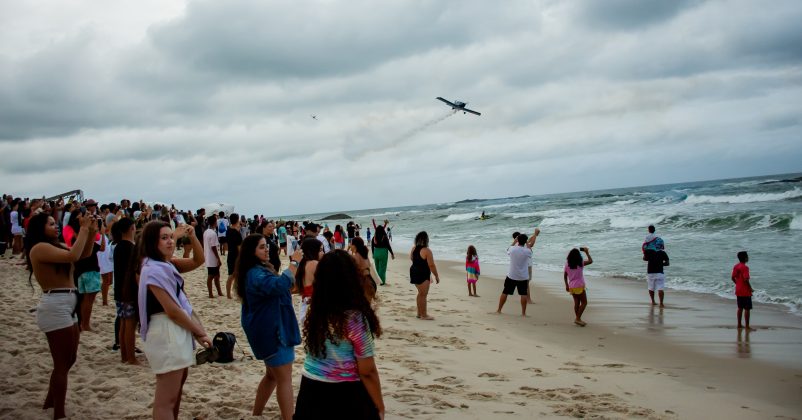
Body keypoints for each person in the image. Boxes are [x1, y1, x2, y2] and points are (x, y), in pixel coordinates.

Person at [294, 250, 384, 419]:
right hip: (344, 390)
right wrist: (379, 405)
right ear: (352, 277)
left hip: (310, 387)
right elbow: (367, 370)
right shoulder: (354, 318)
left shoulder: (315, 309)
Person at [137, 221, 211, 420]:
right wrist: (199, 332)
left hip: (171, 330)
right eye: (164, 238)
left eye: (171, 237)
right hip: (166, 332)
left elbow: (198, 260)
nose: (170, 241)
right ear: (153, 243)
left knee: (173, 394)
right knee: (165, 401)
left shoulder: (162, 265)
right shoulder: (154, 269)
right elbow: (172, 311)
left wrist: (192, 236)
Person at [26, 212, 96, 419]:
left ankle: (50, 402)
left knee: (69, 359)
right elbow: (73, 256)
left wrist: (91, 232)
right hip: (55, 305)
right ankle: (59, 413)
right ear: (40, 228)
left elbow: (83, 254)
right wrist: (82, 229)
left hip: (66, 303)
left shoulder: (54, 247)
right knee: (61, 363)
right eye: (50, 224)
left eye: (54, 223)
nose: (55, 226)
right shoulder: (39, 248)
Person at [236, 234, 302, 418]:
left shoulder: (254, 271)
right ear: (252, 252)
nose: (267, 250)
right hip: (273, 332)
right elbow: (279, 286)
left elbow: (279, 287)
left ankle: (256, 414)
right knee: (284, 379)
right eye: (261, 247)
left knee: (272, 376)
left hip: (267, 330)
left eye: (267, 246)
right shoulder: (256, 273)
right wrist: (294, 263)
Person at [112, 217, 138, 363]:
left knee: (123, 323)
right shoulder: (129, 247)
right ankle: (131, 357)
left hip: (119, 290)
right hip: (128, 291)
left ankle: (124, 356)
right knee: (129, 325)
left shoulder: (118, 246)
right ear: (132, 228)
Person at [496, 228, 540, 317]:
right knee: (523, 294)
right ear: (525, 242)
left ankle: (499, 310)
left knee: (505, 292)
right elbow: (530, 250)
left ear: (517, 240)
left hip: (511, 275)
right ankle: (523, 313)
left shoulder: (512, 249)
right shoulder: (527, 251)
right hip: (523, 276)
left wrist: (514, 241)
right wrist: (528, 241)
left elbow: (508, 249)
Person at [409, 231, 440, 320]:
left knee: (420, 293)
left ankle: (419, 313)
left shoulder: (414, 248)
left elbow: (411, 258)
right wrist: (436, 276)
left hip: (413, 271)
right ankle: (424, 315)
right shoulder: (427, 251)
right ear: (426, 240)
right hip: (422, 273)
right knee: (423, 295)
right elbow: (431, 265)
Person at [295, 238, 323, 323]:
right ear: (314, 251)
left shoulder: (302, 264)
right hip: (315, 305)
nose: (323, 253)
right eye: (321, 250)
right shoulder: (314, 264)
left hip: (305, 304)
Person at [563, 247, 593, 326]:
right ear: (578, 256)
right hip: (579, 285)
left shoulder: (567, 265)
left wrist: (566, 285)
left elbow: (565, 276)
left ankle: (578, 319)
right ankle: (577, 318)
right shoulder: (580, 263)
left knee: (576, 302)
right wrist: (587, 252)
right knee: (584, 302)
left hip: (572, 286)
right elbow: (590, 261)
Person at [732, 251, 754, 330]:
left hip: (738, 290)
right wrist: (750, 288)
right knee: (747, 309)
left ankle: (739, 324)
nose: (748, 257)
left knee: (740, 307)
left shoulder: (736, 266)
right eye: (747, 256)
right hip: (745, 291)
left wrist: (737, 284)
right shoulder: (745, 267)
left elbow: (732, 277)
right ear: (745, 258)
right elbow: (746, 280)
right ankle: (747, 326)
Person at [203, 215, 222, 298]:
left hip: (208, 256)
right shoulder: (213, 233)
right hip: (212, 258)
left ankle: (219, 292)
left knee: (216, 275)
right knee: (211, 276)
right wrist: (218, 258)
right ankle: (210, 293)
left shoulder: (206, 232)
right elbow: (213, 247)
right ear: (215, 222)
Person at [225, 213, 243, 299]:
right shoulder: (236, 233)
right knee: (235, 275)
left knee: (231, 275)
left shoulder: (228, 231)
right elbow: (239, 247)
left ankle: (229, 294)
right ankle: (235, 293)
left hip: (230, 254)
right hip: (236, 255)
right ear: (237, 220)